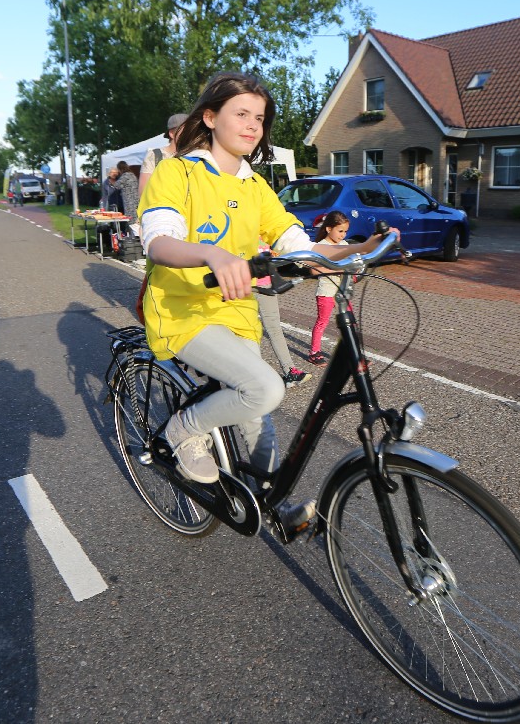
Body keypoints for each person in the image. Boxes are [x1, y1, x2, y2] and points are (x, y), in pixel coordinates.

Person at [137, 72, 390, 531]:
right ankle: (183, 429)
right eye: (241, 114)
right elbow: (158, 242)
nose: (253, 125)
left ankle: (270, 503)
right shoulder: (178, 172)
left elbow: (297, 244)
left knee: (258, 413)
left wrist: (359, 248)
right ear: (210, 118)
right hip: (182, 309)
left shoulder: (255, 186)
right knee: (265, 388)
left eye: (260, 117)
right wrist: (211, 254)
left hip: (237, 311)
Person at [256, 240, 311, 389]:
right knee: (244, 332)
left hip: (266, 285)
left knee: (274, 328)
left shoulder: (266, 232)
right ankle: (249, 376)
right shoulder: (239, 231)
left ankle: (290, 371)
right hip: (243, 288)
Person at [307, 211, 352, 365]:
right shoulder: (321, 247)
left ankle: (352, 352)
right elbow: (314, 270)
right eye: (340, 231)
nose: (343, 235)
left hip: (342, 291)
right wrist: (337, 269)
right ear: (328, 229)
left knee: (349, 322)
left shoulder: (344, 245)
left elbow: (350, 263)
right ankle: (314, 353)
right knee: (322, 322)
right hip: (326, 291)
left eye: (345, 231)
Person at [137, 112, 188, 199]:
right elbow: (143, 192)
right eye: (185, 131)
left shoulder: (194, 156)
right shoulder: (155, 155)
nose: (189, 134)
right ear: (172, 134)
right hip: (161, 206)